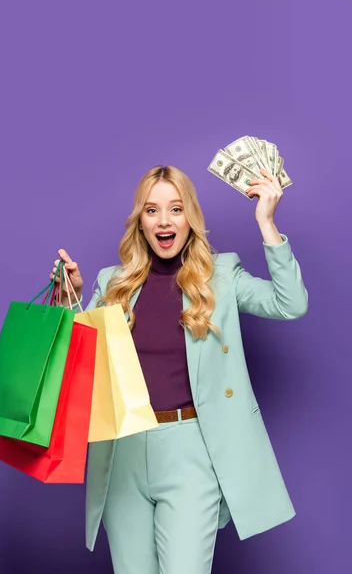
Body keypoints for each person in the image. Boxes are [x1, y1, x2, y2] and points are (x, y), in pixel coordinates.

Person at [49, 165, 308, 574]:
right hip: (123, 453)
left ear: (191, 217)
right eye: (152, 211)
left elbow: (290, 303)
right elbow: (77, 363)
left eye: (176, 208)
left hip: (191, 452)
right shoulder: (111, 282)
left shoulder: (220, 276)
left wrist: (267, 222)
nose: (165, 221)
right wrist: (71, 300)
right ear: (141, 221)